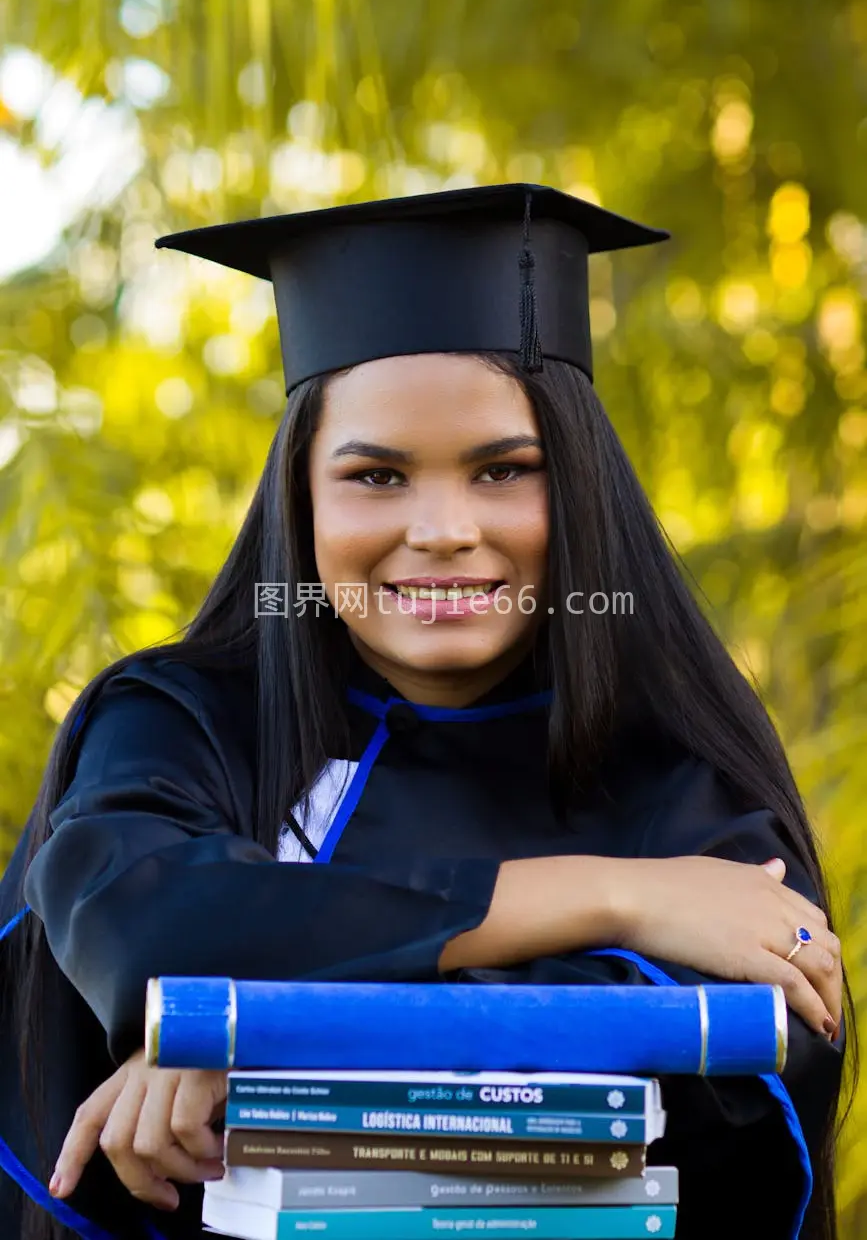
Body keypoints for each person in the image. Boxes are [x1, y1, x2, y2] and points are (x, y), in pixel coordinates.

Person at [0, 183, 849, 1240]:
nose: (443, 529)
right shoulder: (182, 720)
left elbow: (750, 1063)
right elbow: (142, 921)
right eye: (377, 476)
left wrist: (251, 1034)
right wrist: (618, 899)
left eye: (503, 470)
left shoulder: (678, 772)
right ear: (302, 498)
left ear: (579, 487)